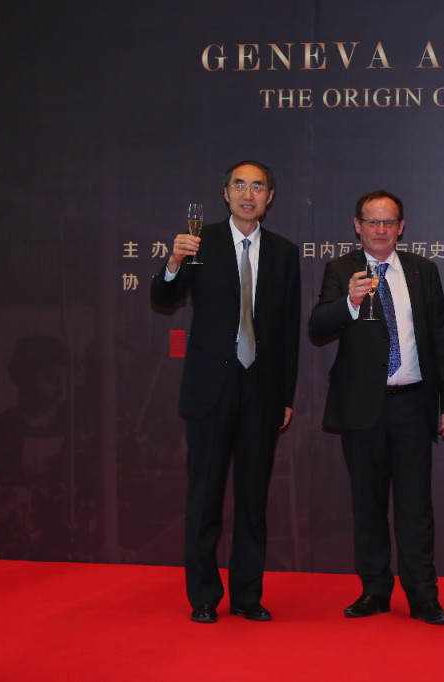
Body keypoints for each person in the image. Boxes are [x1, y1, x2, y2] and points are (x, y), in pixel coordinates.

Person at [150, 160, 300, 624]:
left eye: (258, 187)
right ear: (225, 193)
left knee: (253, 499)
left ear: (270, 197)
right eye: (240, 185)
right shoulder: (200, 243)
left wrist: (286, 396)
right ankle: (203, 596)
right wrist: (173, 263)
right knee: (205, 496)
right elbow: (163, 298)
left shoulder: (283, 252)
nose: (248, 194)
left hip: (261, 389)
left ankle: (247, 595)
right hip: (210, 388)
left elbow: (289, 330)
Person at [308, 189, 444, 625]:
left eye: (388, 222)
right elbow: (318, 326)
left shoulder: (422, 270)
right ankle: (374, 590)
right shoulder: (340, 270)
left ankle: (423, 596)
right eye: (372, 222)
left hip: (412, 403)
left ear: (401, 227)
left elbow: (442, 339)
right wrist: (349, 302)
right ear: (357, 226)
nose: (380, 230)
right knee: (368, 502)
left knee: (416, 505)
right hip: (362, 406)